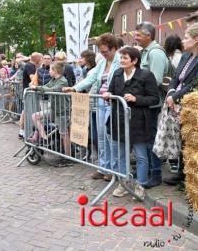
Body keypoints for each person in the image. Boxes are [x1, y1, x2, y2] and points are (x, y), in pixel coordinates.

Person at [103, 47, 159, 199]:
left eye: (125, 58)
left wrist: (137, 99)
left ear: (134, 61)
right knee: (120, 155)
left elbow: (155, 98)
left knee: (141, 156)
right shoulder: (117, 73)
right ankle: (124, 183)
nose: (121, 60)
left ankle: (140, 185)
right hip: (118, 120)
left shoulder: (146, 75)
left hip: (139, 121)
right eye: (121, 57)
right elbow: (111, 91)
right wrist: (108, 95)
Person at [63, 34, 120, 182]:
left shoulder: (120, 61)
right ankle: (103, 167)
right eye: (101, 51)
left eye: (105, 51)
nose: (103, 54)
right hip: (101, 101)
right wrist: (75, 88)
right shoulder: (103, 63)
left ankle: (113, 169)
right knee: (100, 136)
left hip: (113, 102)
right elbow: (91, 78)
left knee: (110, 137)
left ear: (114, 48)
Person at [161, 23, 198, 185]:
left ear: (196, 39)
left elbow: (194, 84)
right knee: (181, 137)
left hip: (190, 104)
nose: (183, 41)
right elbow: (175, 78)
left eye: (186, 37)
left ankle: (189, 176)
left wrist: (175, 96)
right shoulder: (185, 56)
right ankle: (182, 174)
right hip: (175, 101)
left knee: (190, 140)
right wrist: (170, 93)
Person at [134, 22, 169, 188]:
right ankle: (148, 169)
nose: (135, 37)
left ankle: (156, 173)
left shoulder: (155, 53)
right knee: (147, 138)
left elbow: (154, 81)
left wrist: (135, 88)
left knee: (153, 139)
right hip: (146, 103)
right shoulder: (147, 52)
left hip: (153, 105)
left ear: (149, 36)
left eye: (138, 35)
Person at [29, 62, 71, 156]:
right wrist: (36, 88)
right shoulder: (53, 80)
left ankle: (69, 157)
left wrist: (37, 88)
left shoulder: (63, 81)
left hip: (62, 111)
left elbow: (53, 90)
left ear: (55, 71)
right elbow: (46, 86)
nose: (49, 71)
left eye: (50, 70)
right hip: (54, 110)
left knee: (64, 134)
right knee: (35, 116)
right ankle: (45, 139)